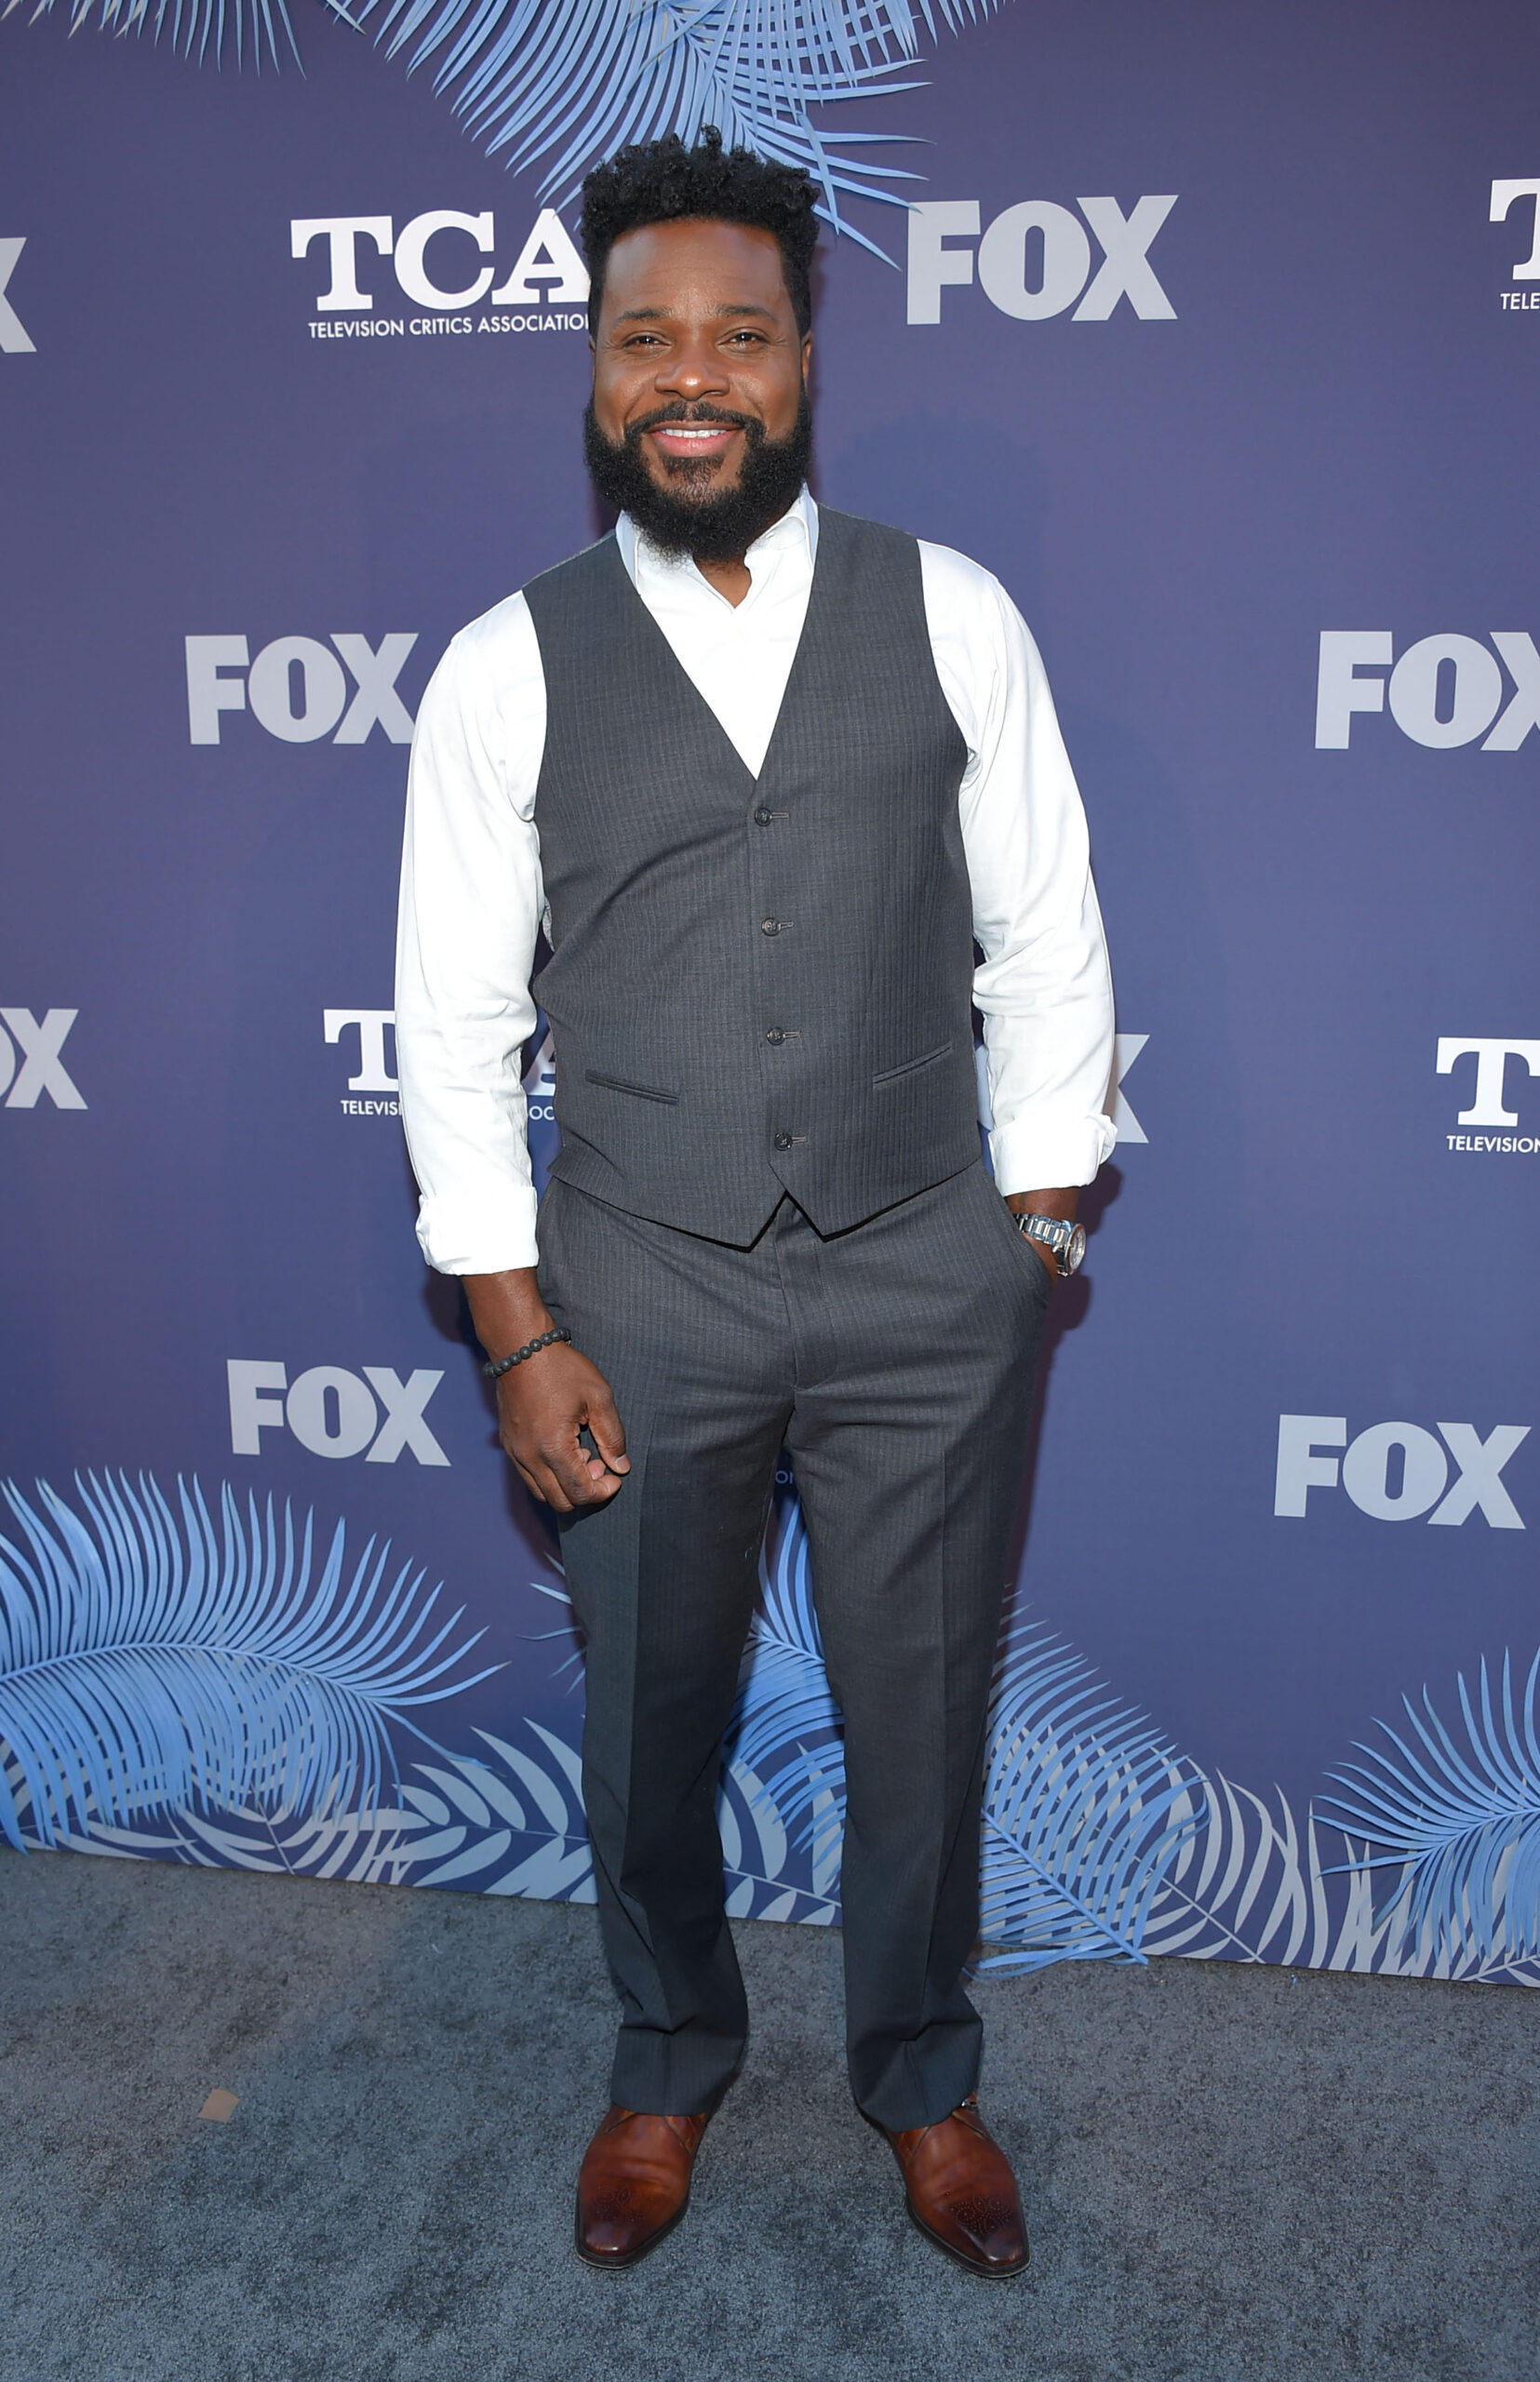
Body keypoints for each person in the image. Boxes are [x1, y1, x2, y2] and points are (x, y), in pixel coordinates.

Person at [395, 127, 1115, 2279]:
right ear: (597, 375)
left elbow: (1050, 940)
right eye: (643, 338)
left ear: (805, 358)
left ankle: (921, 2071)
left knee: (922, 1712)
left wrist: (1036, 1237)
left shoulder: (955, 612)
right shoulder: (503, 665)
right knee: (648, 1724)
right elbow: (449, 1027)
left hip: (926, 1270)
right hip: (633, 1281)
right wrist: (516, 1327)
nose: (688, 375)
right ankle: (666, 2057)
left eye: (737, 332)